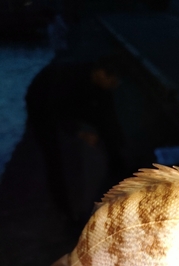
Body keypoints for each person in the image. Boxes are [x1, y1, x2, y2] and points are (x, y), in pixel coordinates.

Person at [26, 55, 128, 228]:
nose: (115, 85)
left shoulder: (99, 84)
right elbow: (54, 111)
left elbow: (108, 116)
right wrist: (80, 132)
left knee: (105, 127)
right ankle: (65, 212)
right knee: (53, 155)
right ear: (102, 74)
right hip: (42, 103)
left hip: (74, 102)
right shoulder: (67, 79)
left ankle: (118, 171)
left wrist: (118, 144)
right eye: (114, 81)